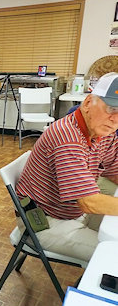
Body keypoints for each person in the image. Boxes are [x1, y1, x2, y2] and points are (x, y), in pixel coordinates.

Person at [16, 72, 118, 262]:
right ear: (88, 103)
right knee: (112, 255)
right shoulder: (67, 138)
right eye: (111, 108)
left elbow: (115, 171)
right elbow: (90, 202)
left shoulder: (104, 132)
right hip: (45, 222)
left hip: (73, 211)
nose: (115, 119)